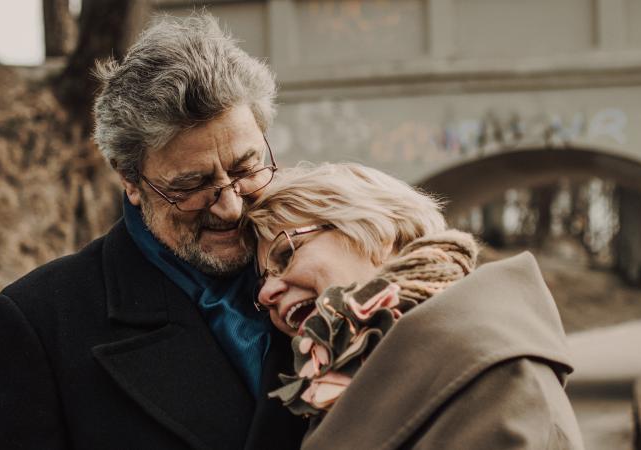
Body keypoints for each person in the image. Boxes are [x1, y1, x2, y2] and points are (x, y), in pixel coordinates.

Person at [0, 14, 306, 450]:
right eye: (190, 186)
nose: (230, 207)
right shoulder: (44, 321)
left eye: (246, 168)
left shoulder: (333, 264)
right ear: (130, 181)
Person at [245, 163, 586, 449]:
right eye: (262, 282)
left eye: (288, 253)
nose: (267, 293)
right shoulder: (348, 376)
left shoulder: (492, 372)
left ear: (377, 234)